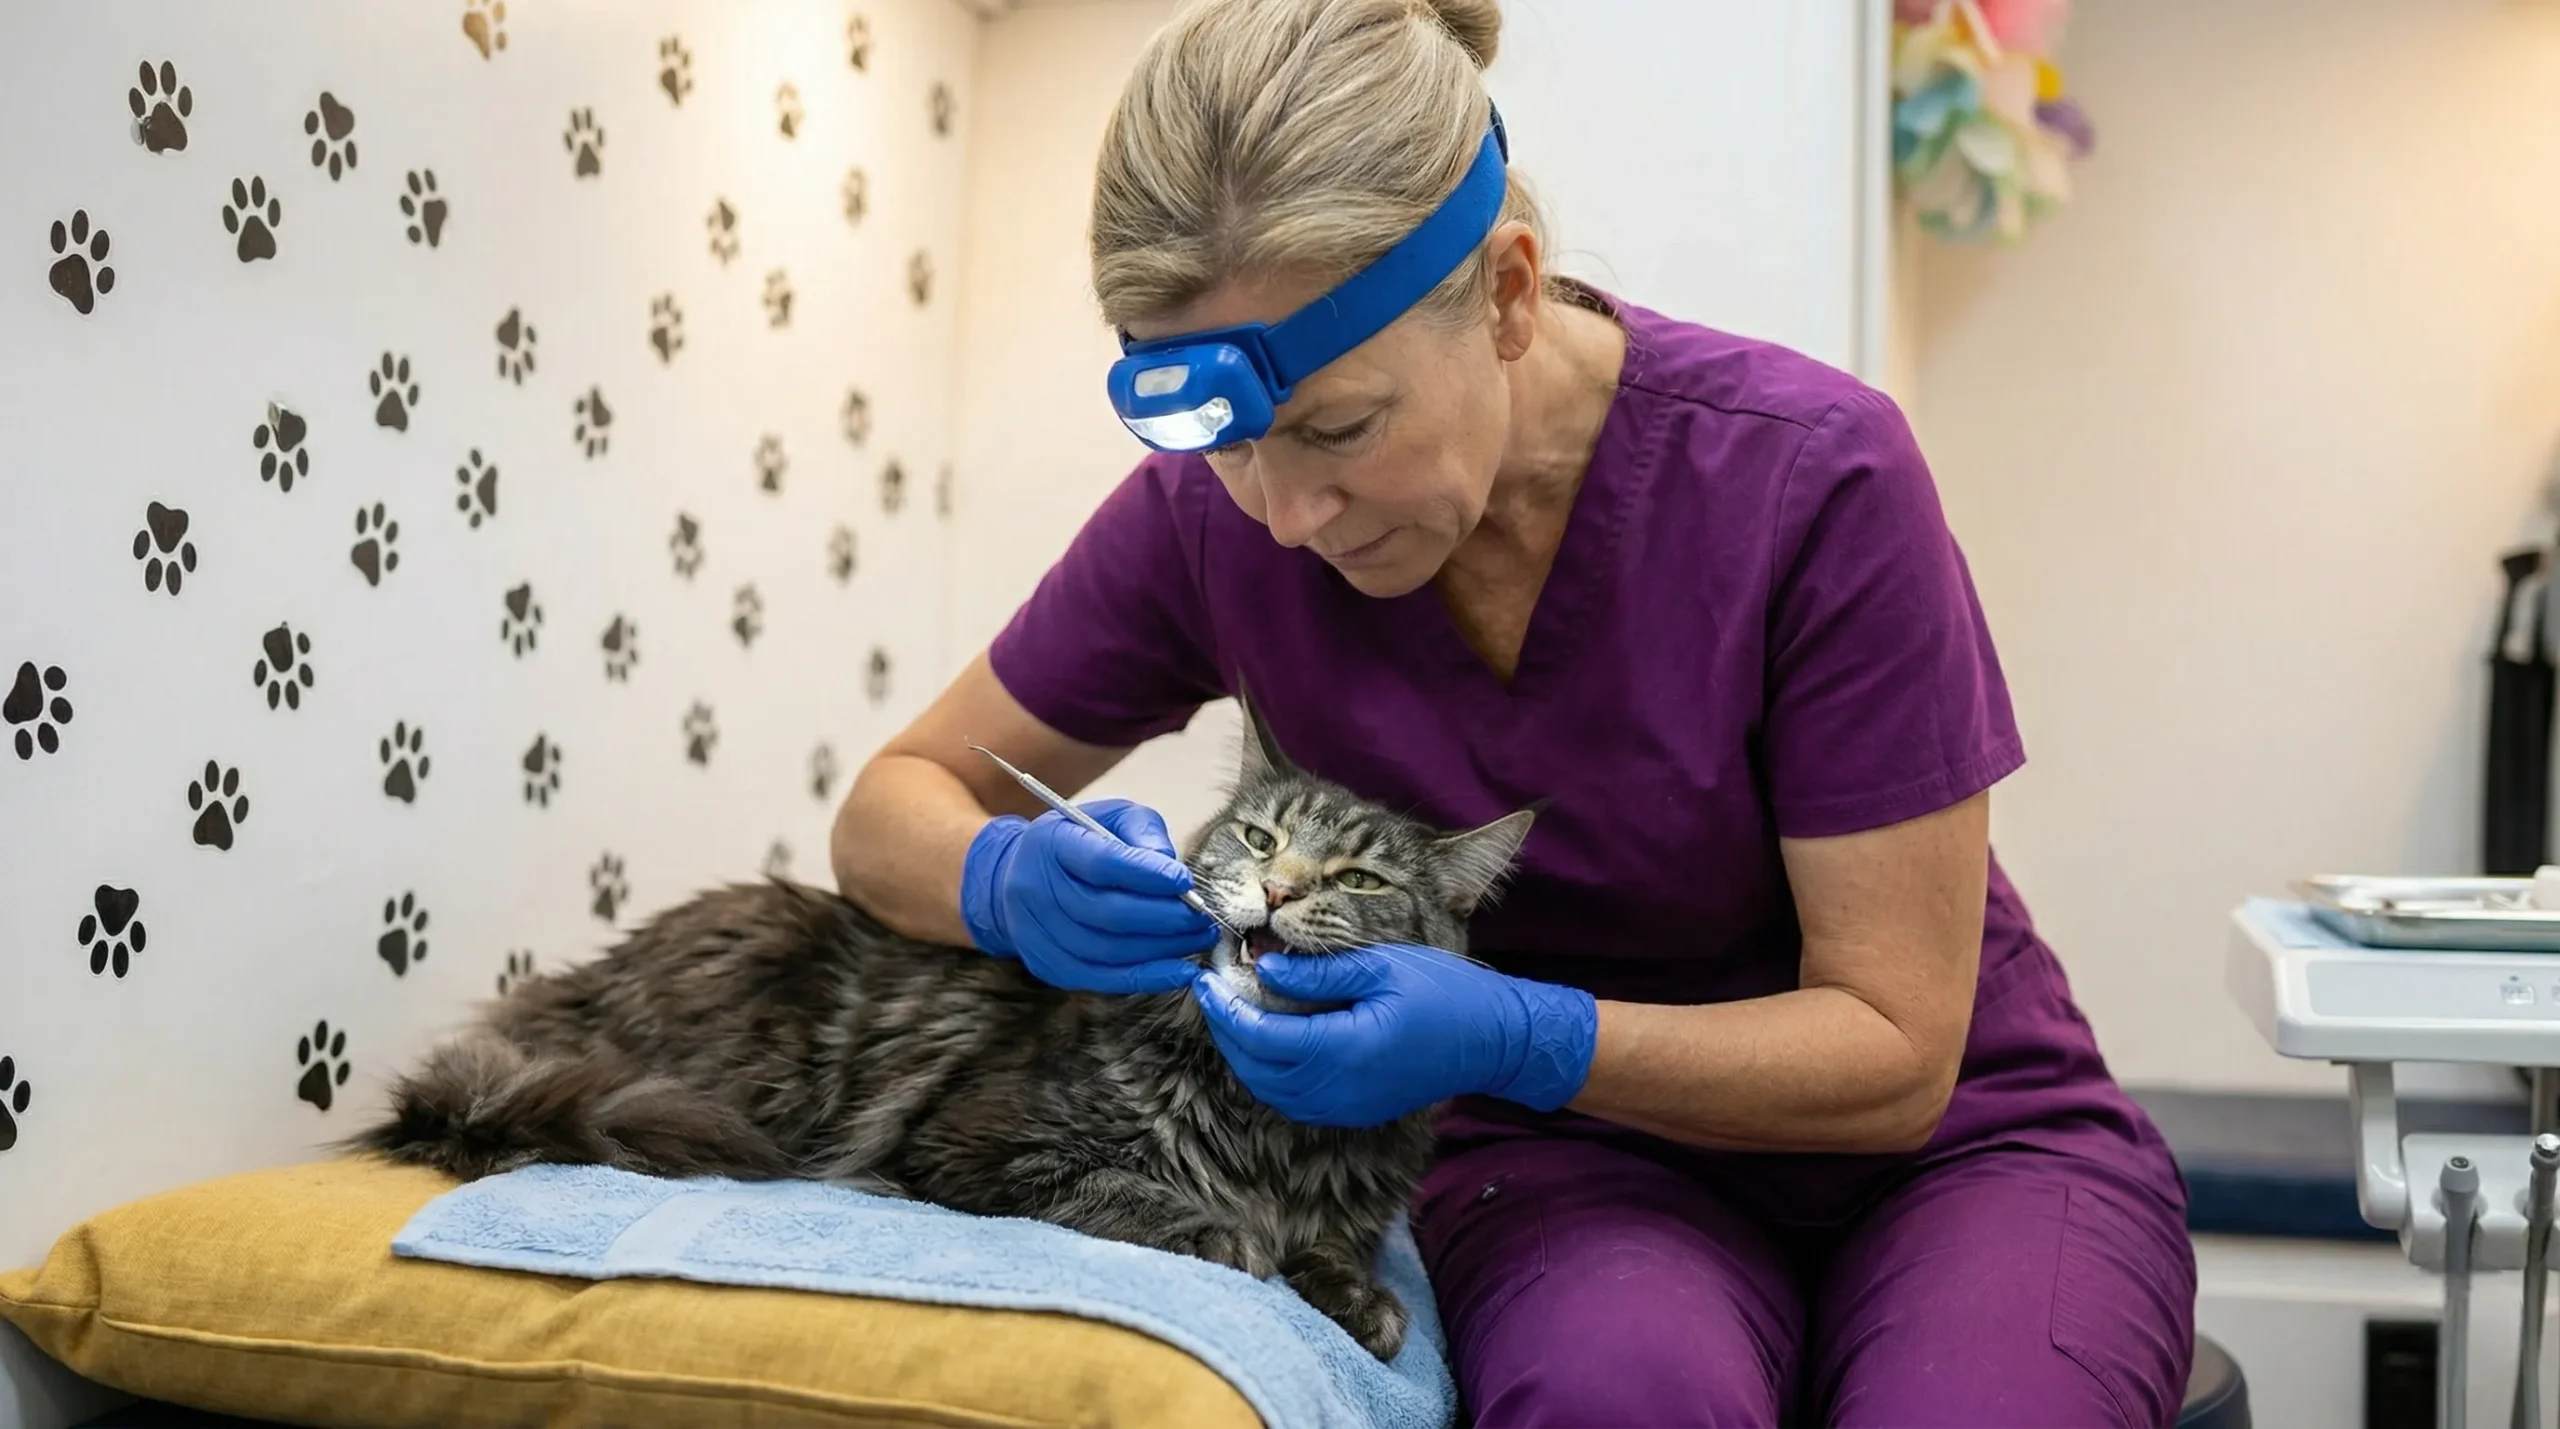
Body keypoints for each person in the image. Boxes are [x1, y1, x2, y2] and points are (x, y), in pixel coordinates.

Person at [831, 0, 2196, 1423]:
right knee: (1617, 1397)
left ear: (1508, 293)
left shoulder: (1814, 483)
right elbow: (891, 807)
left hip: (1962, 1153)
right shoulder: (1208, 526)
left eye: (1342, 429)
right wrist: (998, 879)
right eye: (1232, 449)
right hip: (1575, 1164)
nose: (1288, 516)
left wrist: (1515, 1033)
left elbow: (1897, 1054)